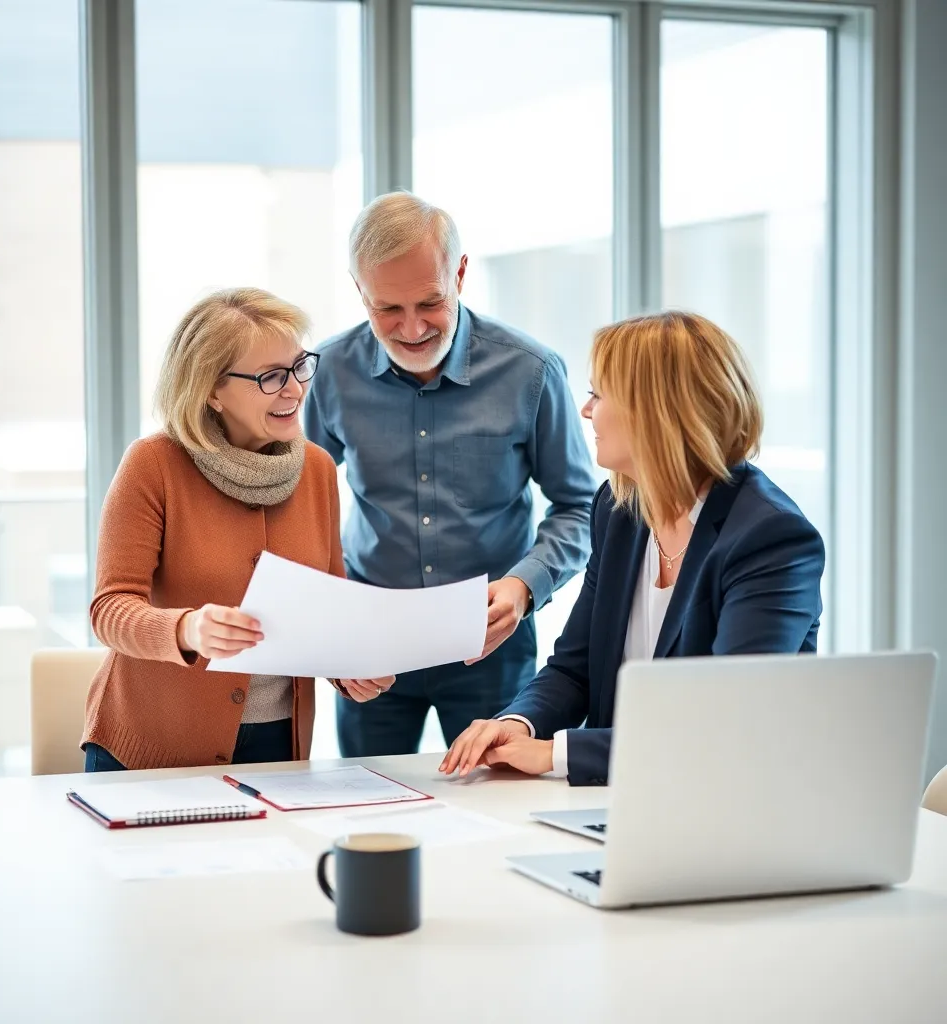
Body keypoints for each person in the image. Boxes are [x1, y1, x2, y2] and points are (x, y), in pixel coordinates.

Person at [440, 310, 825, 785]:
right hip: (622, 800)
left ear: (655, 410)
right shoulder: (619, 508)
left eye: (598, 394)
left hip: (728, 806)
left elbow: (726, 724)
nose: (585, 411)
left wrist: (551, 754)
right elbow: (575, 667)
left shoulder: (771, 538)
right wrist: (516, 725)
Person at [303, 191, 598, 757]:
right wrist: (329, 624)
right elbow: (293, 502)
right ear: (359, 289)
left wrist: (525, 586)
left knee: (501, 796)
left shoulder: (530, 371)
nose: (411, 328)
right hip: (370, 643)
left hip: (493, 640)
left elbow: (581, 506)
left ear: (459, 273)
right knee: (367, 802)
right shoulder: (330, 371)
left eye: (430, 303)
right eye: (387, 308)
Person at [82, 288, 393, 772]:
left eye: (298, 367)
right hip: (152, 749)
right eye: (270, 377)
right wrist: (186, 629)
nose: (294, 389)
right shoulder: (153, 464)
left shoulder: (316, 469)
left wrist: (347, 667)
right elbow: (109, 610)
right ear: (210, 389)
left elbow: (328, 607)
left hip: (278, 746)